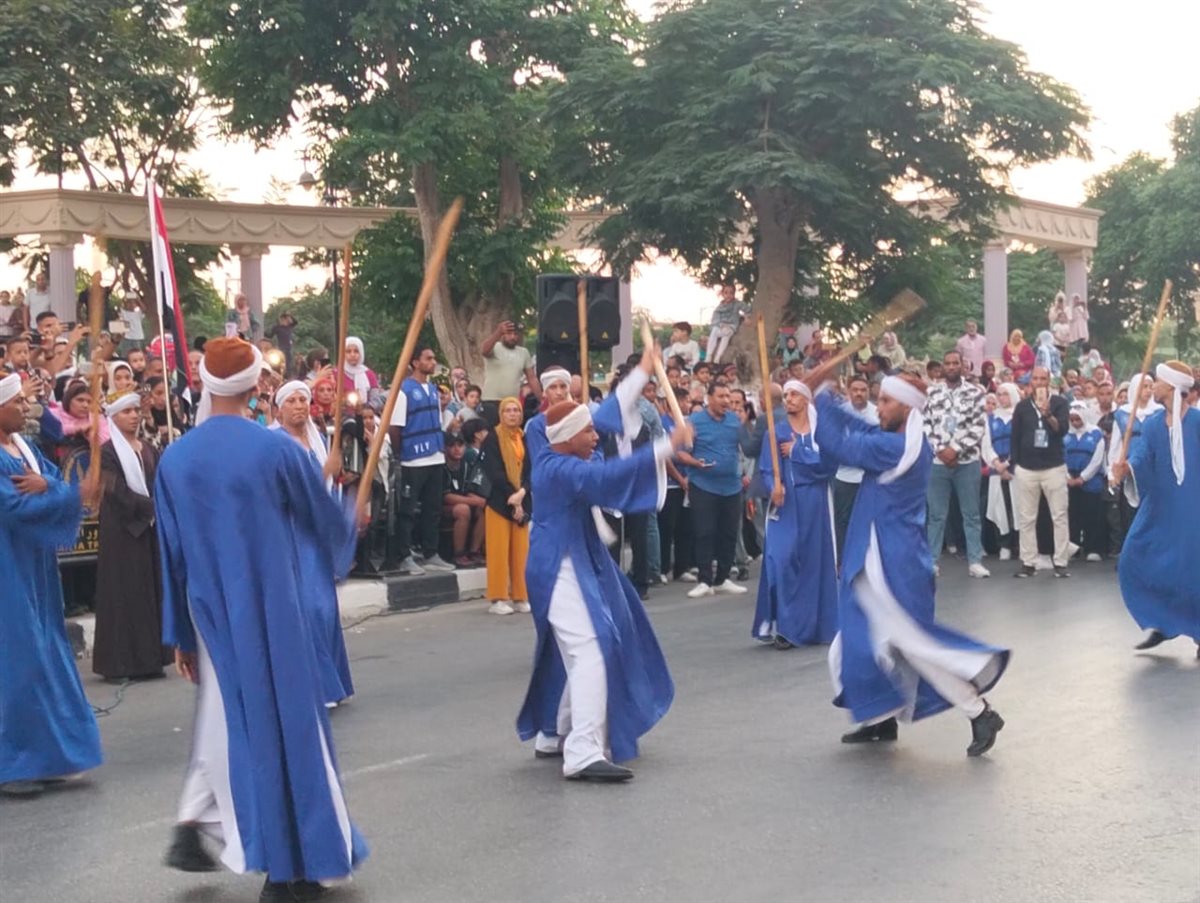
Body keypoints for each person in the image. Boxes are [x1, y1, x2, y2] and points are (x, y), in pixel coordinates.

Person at [156, 338, 367, 900]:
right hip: (275, 608)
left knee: (238, 732)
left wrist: (179, 633)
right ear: (257, 387)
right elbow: (323, 520)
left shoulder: (174, 459)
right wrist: (349, 515)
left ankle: (266, 853)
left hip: (212, 614)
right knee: (294, 732)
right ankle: (306, 862)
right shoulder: (275, 451)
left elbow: (171, 555)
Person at [811, 371, 1008, 757]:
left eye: (886, 401)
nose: (879, 407)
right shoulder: (907, 439)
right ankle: (880, 717)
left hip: (889, 566)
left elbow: (837, 443)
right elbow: (861, 427)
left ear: (906, 407)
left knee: (912, 647)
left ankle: (979, 711)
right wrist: (829, 398)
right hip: (889, 558)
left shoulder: (892, 447)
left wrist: (818, 396)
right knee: (850, 647)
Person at [516, 361, 690, 781]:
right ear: (567, 437)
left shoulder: (566, 452)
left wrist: (642, 372)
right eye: (589, 433)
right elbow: (609, 474)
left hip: (575, 556)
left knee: (577, 650)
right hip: (559, 563)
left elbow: (608, 414)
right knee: (591, 648)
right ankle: (582, 752)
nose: (597, 436)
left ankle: (556, 732)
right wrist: (665, 446)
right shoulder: (557, 468)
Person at [0, 372, 102, 797]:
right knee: (18, 661)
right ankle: (13, 764)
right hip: (8, 569)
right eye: (17, 402)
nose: (26, 408)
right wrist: (66, 494)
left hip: (35, 568)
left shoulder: (24, 447)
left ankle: (50, 757)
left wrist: (52, 487)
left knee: (47, 656)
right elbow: (13, 506)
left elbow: (51, 480)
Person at [272, 380, 354, 707]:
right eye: (291, 401)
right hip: (292, 534)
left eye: (302, 400)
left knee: (327, 609)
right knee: (311, 608)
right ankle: (318, 688)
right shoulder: (275, 443)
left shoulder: (317, 437)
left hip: (318, 531)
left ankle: (333, 683)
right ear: (279, 408)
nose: (298, 406)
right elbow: (290, 492)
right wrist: (324, 473)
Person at [1111, 362, 1200, 655]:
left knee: (1192, 569)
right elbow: (1142, 456)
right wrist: (1127, 468)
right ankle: (1159, 621)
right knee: (1135, 555)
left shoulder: (1197, 422)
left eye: (1158, 382)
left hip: (1193, 505)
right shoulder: (1151, 424)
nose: (1153, 386)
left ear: (1172, 387)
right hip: (1160, 505)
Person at [92, 390, 172, 681]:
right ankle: (120, 664)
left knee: (149, 590)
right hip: (122, 531)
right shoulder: (106, 452)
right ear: (113, 416)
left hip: (148, 529)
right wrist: (150, 507)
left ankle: (150, 660)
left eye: (136, 410)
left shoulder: (149, 449)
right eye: (127, 411)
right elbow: (114, 489)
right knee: (123, 594)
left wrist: (161, 505)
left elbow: (160, 481)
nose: (134, 416)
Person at [753, 381, 838, 648]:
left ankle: (809, 627)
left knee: (813, 562)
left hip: (815, 502)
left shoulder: (820, 434)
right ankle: (784, 624)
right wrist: (774, 486)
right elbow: (767, 468)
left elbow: (827, 466)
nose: (788, 399)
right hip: (785, 504)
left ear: (806, 400)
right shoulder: (775, 432)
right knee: (780, 559)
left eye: (794, 395)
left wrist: (798, 451)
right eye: (786, 395)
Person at [388, 345, 456, 576]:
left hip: (435, 456)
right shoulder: (404, 391)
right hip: (413, 459)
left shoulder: (434, 391)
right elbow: (395, 427)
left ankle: (430, 552)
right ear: (415, 362)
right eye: (428, 358)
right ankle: (404, 555)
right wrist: (400, 454)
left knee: (433, 508)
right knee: (407, 510)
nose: (433, 362)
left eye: (433, 358)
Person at [676, 381, 748, 597]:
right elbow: (680, 452)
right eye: (721, 396)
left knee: (729, 533)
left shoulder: (735, 420)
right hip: (703, 485)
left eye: (728, 397)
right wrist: (695, 463)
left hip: (732, 486)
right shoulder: (694, 421)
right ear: (709, 398)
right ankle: (705, 580)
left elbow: (746, 448)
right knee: (704, 532)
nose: (726, 401)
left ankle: (722, 578)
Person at [923, 350, 990, 578]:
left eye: (955, 363)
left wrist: (956, 449)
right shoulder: (932, 393)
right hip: (937, 461)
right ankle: (932, 561)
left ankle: (975, 561)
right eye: (947, 363)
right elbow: (926, 424)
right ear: (943, 366)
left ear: (962, 366)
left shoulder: (975, 393)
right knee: (936, 515)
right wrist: (940, 450)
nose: (951, 367)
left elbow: (978, 426)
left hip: (967, 461)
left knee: (971, 514)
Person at [1009, 366, 1071, 578]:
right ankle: (1028, 562)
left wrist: (1048, 414)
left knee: (1059, 516)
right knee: (1027, 517)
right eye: (1035, 378)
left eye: (1042, 379)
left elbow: (1062, 429)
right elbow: (1015, 436)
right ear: (1031, 381)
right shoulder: (1022, 406)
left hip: (1053, 466)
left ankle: (1060, 562)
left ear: (1049, 380)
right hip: (1027, 468)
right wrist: (1016, 464)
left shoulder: (1060, 403)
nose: (1039, 382)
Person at [481, 397, 532, 615]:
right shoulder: (493, 438)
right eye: (508, 411)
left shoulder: (524, 437)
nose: (512, 414)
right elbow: (495, 472)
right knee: (499, 552)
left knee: (521, 553)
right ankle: (498, 598)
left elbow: (530, 469)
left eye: (516, 410)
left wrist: (522, 493)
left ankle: (521, 596)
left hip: (522, 499)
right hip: (499, 501)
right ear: (501, 414)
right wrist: (513, 495)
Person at [1108, 372, 1161, 552]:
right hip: (1129, 470)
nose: (1148, 390)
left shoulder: (1159, 413)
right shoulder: (1122, 414)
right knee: (1129, 513)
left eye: (1150, 386)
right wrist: (1113, 471)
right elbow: (1116, 445)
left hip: (1153, 469)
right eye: (1144, 387)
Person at [832, 374, 877, 560]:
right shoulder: (839, 413)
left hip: (870, 477)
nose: (859, 393)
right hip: (845, 478)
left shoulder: (877, 413)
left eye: (863, 390)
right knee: (843, 521)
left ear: (869, 392)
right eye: (855, 390)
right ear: (848, 392)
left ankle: (869, 560)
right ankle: (843, 561)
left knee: (870, 521)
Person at [1064, 402, 1107, 562]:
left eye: (1078, 419)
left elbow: (1097, 460)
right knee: (1072, 516)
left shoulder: (1096, 433)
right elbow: (1061, 457)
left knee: (1092, 515)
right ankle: (1073, 548)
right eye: (1072, 420)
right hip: (1070, 480)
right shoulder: (1065, 435)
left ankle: (1093, 548)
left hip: (1091, 481)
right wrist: (1068, 477)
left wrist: (1083, 477)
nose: (1075, 423)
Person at [982, 383, 1021, 560]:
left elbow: (1021, 442)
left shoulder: (1019, 417)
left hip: (1016, 469)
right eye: (999, 394)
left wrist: (1009, 464)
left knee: (1018, 507)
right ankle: (1003, 544)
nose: (1002, 397)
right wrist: (997, 464)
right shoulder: (990, 419)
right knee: (999, 506)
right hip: (996, 469)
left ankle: (1018, 544)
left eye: (1005, 394)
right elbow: (986, 444)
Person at [480, 320, 540, 425]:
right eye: (509, 333)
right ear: (503, 334)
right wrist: (498, 332)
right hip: (491, 400)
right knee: (492, 432)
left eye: (515, 334)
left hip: (512, 403)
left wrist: (541, 399)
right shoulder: (495, 347)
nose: (512, 337)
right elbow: (484, 351)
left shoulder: (524, 352)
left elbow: (532, 378)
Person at [442, 431, 486, 567]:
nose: (457, 449)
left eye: (460, 445)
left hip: (463, 501)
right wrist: (474, 501)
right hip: (441, 506)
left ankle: (474, 551)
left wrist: (482, 501)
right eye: (452, 445)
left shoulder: (467, 465)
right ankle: (459, 554)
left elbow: (471, 490)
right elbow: (446, 497)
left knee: (485, 507)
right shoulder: (441, 467)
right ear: (445, 448)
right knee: (463, 510)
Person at [706, 285, 744, 364]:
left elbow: (745, 310)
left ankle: (718, 356)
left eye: (731, 293)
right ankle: (709, 354)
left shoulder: (736, 305)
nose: (728, 295)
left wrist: (746, 317)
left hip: (731, 327)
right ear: (722, 294)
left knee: (726, 334)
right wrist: (720, 324)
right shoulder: (719, 307)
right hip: (720, 326)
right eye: (726, 293)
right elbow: (715, 318)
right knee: (714, 331)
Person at [341, 336, 380, 403]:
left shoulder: (369, 374)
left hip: (366, 408)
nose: (352, 355)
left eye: (356, 351)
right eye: (348, 352)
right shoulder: (337, 374)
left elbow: (375, 399)